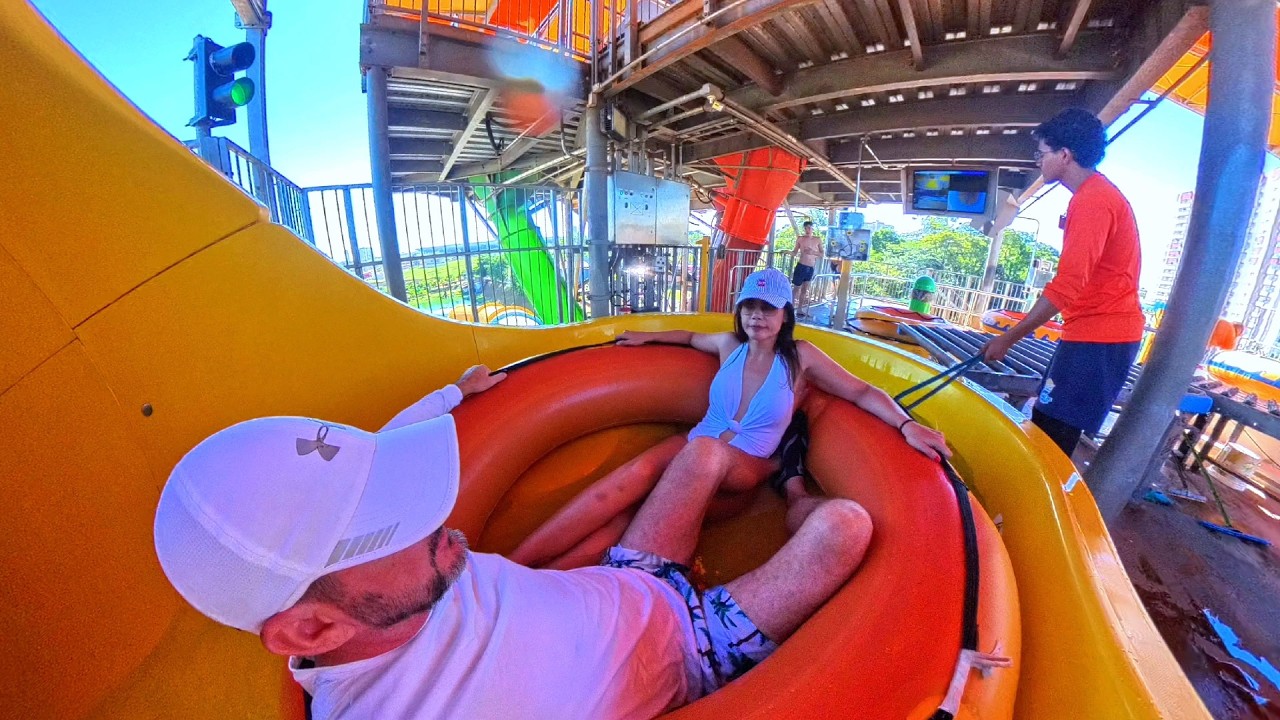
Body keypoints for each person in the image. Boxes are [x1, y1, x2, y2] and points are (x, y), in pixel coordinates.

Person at [153, 357, 884, 719]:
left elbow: (380, 446)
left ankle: (776, 467)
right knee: (845, 525)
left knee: (699, 454)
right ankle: (792, 486)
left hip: (630, 574)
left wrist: (452, 395)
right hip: (696, 647)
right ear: (312, 625)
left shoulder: (378, 588)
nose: (436, 518)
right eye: (392, 524)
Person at [510, 267, 950, 570]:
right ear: (739, 311)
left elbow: (861, 390)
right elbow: (687, 336)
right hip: (699, 445)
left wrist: (906, 424)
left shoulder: (801, 359)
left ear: (785, 315)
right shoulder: (727, 345)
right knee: (630, 486)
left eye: (768, 308)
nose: (757, 315)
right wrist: (646, 336)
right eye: (749, 307)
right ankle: (517, 567)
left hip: (741, 466)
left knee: (697, 456)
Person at [981, 108, 1144, 458]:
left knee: (1051, 436)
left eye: (1041, 154)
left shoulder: (1092, 201)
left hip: (1100, 336)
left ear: (1065, 155)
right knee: (1048, 422)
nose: (1038, 162)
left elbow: (1068, 284)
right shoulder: (1095, 196)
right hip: (1092, 333)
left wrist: (1007, 339)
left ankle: (1034, 507)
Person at [789, 220, 822, 316]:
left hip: (810, 267)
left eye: (809, 228)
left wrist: (813, 252)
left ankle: (799, 309)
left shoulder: (817, 239)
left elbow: (822, 254)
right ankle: (790, 308)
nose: (807, 230)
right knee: (796, 288)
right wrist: (787, 252)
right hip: (801, 265)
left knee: (805, 289)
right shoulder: (800, 239)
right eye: (806, 228)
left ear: (812, 229)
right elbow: (794, 252)